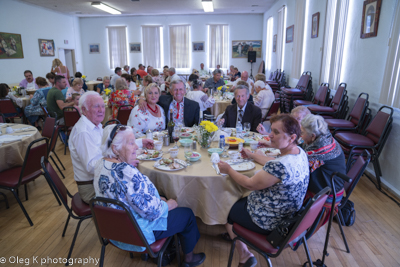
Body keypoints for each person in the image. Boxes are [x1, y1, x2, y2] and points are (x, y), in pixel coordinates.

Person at [94, 124, 206, 266]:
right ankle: (189, 260)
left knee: (161, 196)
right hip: (137, 233)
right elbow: (152, 212)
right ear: (115, 149)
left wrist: (127, 165)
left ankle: (168, 248)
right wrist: (167, 205)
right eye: (131, 143)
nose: (136, 147)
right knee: (187, 214)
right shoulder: (128, 173)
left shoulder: (100, 164)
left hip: (113, 231)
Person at [218, 114, 309, 267]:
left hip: (270, 221)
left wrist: (228, 169)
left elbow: (249, 184)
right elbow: (275, 162)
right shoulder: (299, 153)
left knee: (225, 205)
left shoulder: (280, 166)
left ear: (292, 137)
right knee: (236, 195)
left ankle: (244, 254)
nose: (270, 135)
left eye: (276, 132)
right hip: (288, 215)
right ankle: (237, 236)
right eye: (271, 130)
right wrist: (252, 155)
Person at [70, 92, 154, 204]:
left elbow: (111, 145)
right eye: (96, 106)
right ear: (84, 110)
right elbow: (91, 167)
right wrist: (121, 165)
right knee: (136, 192)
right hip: (92, 188)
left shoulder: (96, 125)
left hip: (103, 178)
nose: (101, 110)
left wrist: (139, 142)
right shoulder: (83, 132)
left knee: (138, 183)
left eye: (102, 105)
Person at [300, 114, 346, 232]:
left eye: (302, 132)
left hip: (328, 195)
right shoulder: (325, 137)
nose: (300, 135)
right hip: (333, 186)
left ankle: (293, 230)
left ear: (313, 135)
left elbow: (296, 162)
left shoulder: (319, 149)